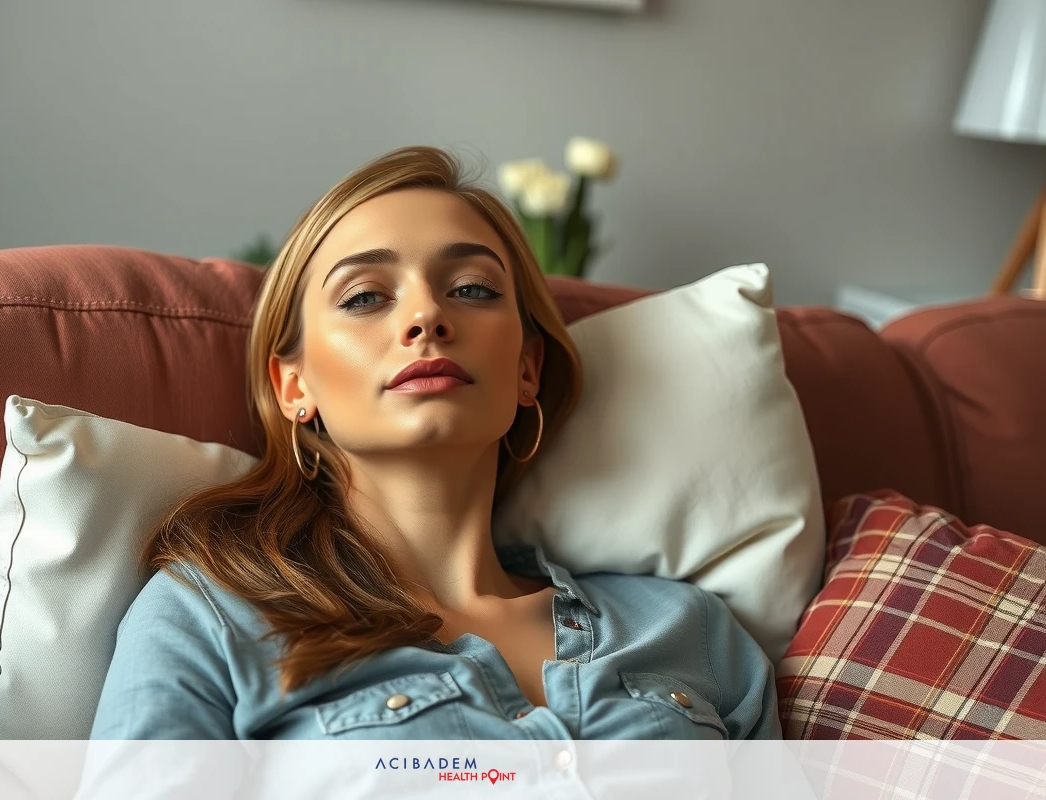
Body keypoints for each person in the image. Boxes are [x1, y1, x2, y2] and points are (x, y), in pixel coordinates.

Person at [87, 145, 783, 744]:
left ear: (526, 369)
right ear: (294, 385)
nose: (426, 315)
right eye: (365, 297)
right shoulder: (211, 616)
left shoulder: (690, 630)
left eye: (472, 288)